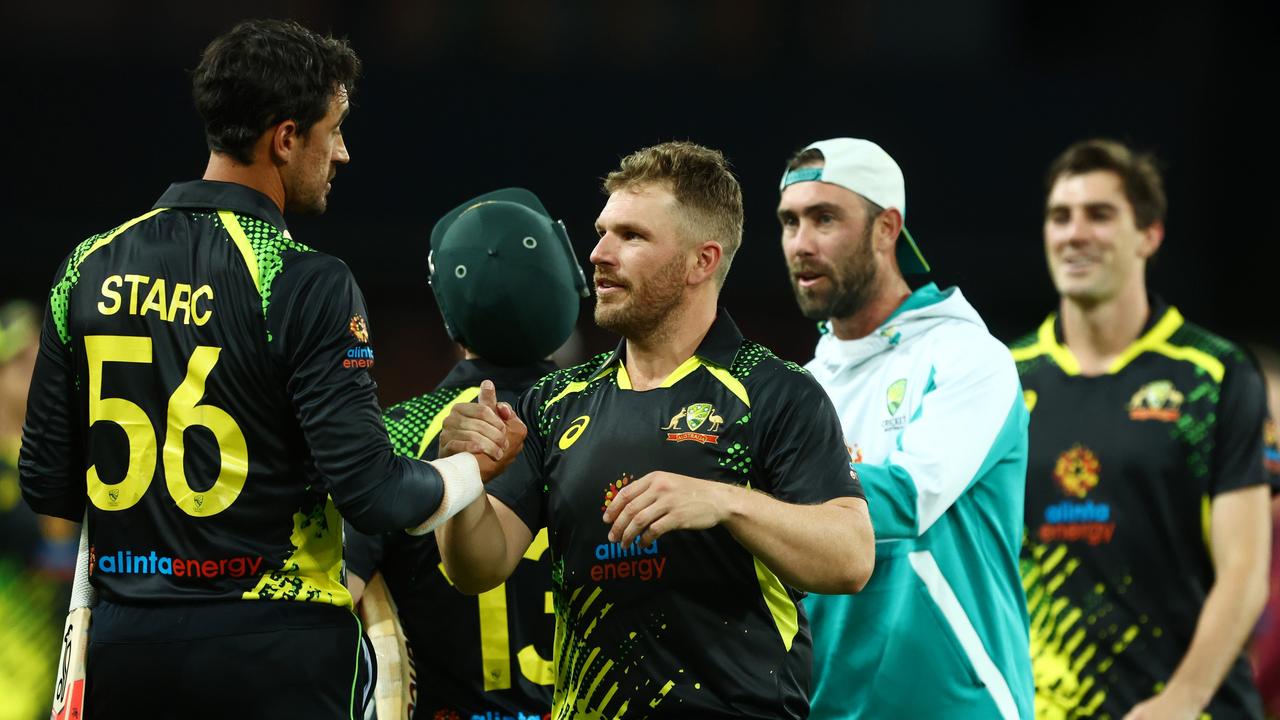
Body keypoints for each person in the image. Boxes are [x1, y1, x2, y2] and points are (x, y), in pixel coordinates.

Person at [18, 19, 517, 718]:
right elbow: (372, 494)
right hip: (274, 659)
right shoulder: (304, 280)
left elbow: (47, 482)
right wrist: (471, 473)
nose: (341, 153)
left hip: (127, 654)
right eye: (333, 130)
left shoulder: (87, 264)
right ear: (284, 138)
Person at [435, 141, 874, 719]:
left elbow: (851, 557)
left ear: (702, 260)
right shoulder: (557, 401)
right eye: (601, 232)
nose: (597, 254)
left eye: (631, 237)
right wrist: (465, 478)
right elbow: (477, 569)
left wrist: (724, 502)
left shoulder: (774, 392)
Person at [1012, 139, 1270, 719]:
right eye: (1060, 217)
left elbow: (1246, 573)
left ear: (1149, 236)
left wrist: (1180, 701)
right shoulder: (1002, 378)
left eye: (1100, 215)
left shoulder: (1215, 374)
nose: (1075, 233)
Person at [777, 137, 1034, 719]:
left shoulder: (968, 356)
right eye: (789, 222)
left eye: (824, 219)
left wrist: (738, 488)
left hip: (959, 705)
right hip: (827, 707)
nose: (801, 244)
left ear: (886, 229)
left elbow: (905, 498)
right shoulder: (799, 388)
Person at [345, 187, 588, 719]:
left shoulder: (397, 435)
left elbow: (336, 596)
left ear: (450, 317)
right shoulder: (614, 417)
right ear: (570, 283)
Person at [0, 299, 78, 720]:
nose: (42, 368)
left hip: (48, 688)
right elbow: (53, 560)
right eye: (27, 357)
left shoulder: (38, 460)